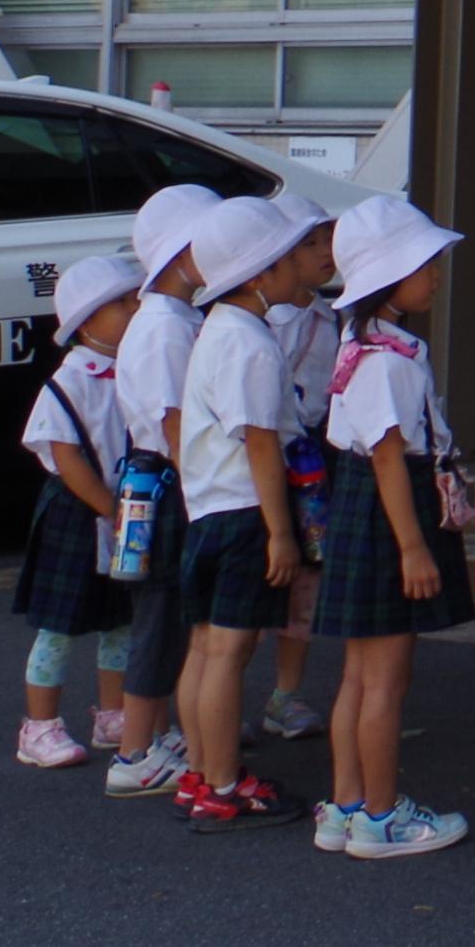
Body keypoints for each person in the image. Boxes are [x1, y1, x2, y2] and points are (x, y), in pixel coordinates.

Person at [311, 192, 475, 860]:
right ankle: (380, 817)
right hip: (389, 515)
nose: (436, 273)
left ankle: (348, 805)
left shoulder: (365, 342)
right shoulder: (385, 360)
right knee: (384, 679)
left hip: (367, 511)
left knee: (359, 675)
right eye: (425, 264)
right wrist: (413, 548)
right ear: (388, 277)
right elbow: (388, 458)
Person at [174, 193, 330, 826]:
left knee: (210, 648)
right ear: (261, 273)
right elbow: (261, 440)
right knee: (231, 652)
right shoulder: (250, 342)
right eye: (294, 255)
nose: (308, 265)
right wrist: (280, 534)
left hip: (211, 509)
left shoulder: (219, 330)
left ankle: (198, 775)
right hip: (246, 513)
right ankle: (221, 785)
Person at [103, 183, 217, 799]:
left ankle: (154, 737)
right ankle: (135, 751)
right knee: (161, 616)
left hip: (155, 479)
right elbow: (178, 425)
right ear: (179, 256)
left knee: (166, 614)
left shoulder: (169, 318)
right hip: (170, 482)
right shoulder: (167, 328)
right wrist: (204, 494)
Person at [11, 250, 146, 768]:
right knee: (59, 624)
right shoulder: (68, 382)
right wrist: (109, 506)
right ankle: (39, 725)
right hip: (79, 511)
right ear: (87, 322)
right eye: (124, 305)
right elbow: (65, 455)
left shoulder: (135, 370)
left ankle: (113, 712)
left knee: (120, 618)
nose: (136, 312)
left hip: (126, 511)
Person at [259, 214, 341, 752]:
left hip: (314, 460)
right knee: (263, 573)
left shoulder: (331, 317)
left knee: (307, 578)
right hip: (274, 459)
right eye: (308, 244)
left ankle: (286, 693)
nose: (323, 252)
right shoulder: (266, 324)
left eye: (328, 240)